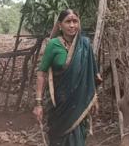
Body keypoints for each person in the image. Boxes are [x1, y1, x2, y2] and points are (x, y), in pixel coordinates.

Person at [33, 9, 102, 146]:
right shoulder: (53, 45)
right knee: (58, 137)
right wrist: (38, 104)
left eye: (75, 21)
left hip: (80, 103)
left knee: (78, 138)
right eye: (68, 21)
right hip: (60, 104)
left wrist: (93, 99)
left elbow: (91, 76)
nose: (72, 25)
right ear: (60, 25)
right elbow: (41, 74)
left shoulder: (85, 44)